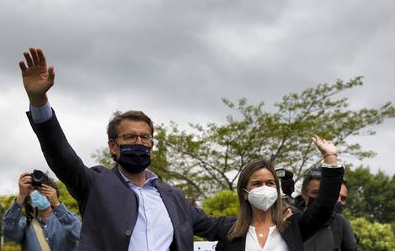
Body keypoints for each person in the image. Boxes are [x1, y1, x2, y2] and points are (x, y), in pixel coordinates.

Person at [18, 47, 228, 251]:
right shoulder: (95, 184)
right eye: (129, 137)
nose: (138, 142)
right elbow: (61, 156)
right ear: (113, 145)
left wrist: (256, 207)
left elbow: (217, 226)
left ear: (151, 145)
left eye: (144, 137)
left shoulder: (174, 197)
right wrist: (38, 101)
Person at [216, 135, 344, 251]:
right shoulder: (229, 233)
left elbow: (323, 206)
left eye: (270, 183)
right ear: (244, 193)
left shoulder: (293, 226)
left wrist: (330, 158)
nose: (264, 188)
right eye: (257, 184)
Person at [2, 171, 81, 251]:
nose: (37, 192)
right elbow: (9, 231)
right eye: (33, 189)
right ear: (28, 197)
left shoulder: (67, 220)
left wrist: (56, 203)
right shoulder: (25, 225)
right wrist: (21, 196)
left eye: (41, 188)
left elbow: (79, 233)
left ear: (53, 192)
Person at [301, 170, 358, 251]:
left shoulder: (340, 222)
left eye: (324, 194)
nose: (320, 199)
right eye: (315, 193)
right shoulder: (292, 220)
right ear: (304, 193)